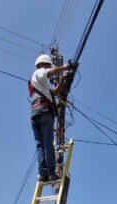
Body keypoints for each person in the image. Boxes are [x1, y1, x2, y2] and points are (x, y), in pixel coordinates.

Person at [29, 54, 74, 182]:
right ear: (43, 64)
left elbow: (55, 92)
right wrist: (65, 67)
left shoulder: (39, 84)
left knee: (40, 145)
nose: (49, 68)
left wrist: (62, 80)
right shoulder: (39, 72)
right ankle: (51, 172)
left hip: (35, 114)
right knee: (48, 144)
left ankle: (42, 174)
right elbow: (49, 72)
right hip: (44, 112)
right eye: (48, 65)